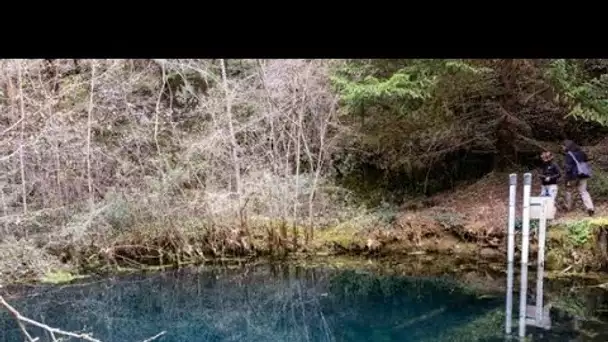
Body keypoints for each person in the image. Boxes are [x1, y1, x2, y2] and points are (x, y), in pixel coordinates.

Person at [562, 140, 595, 216]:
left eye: (563, 146)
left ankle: (568, 207)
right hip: (583, 174)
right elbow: (586, 160)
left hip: (573, 176)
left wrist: (567, 180)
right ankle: (590, 207)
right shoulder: (582, 153)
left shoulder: (569, 155)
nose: (562, 148)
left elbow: (568, 168)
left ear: (567, 146)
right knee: (583, 191)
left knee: (569, 191)